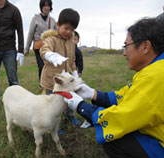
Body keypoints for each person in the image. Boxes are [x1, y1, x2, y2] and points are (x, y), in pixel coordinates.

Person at [64, 17, 164, 157]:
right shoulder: (156, 69)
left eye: (126, 46)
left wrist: (81, 106)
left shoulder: (155, 77)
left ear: (145, 46)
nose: (124, 53)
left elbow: (122, 117)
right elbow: (128, 95)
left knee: (113, 138)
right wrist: (93, 94)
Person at [40, 8, 81, 134]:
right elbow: (44, 50)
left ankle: (70, 115)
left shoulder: (71, 42)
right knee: (52, 104)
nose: (68, 32)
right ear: (58, 25)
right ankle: (54, 125)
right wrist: (50, 55)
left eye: (72, 29)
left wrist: (74, 73)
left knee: (70, 97)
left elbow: (72, 60)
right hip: (51, 81)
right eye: (66, 28)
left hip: (67, 81)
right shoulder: (51, 39)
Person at [25, 0, 57, 86]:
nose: (46, 8)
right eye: (44, 6)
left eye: (48, 6)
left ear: (50, 7)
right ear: (41, 7)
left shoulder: (53, 20)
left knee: (50, 66)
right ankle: (42, 84)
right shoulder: (35, 18)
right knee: (41, 66)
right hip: (38, 47)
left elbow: (57, 35)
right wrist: (26, 49)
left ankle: (49, 83)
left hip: (50, 47)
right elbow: (30, 34)